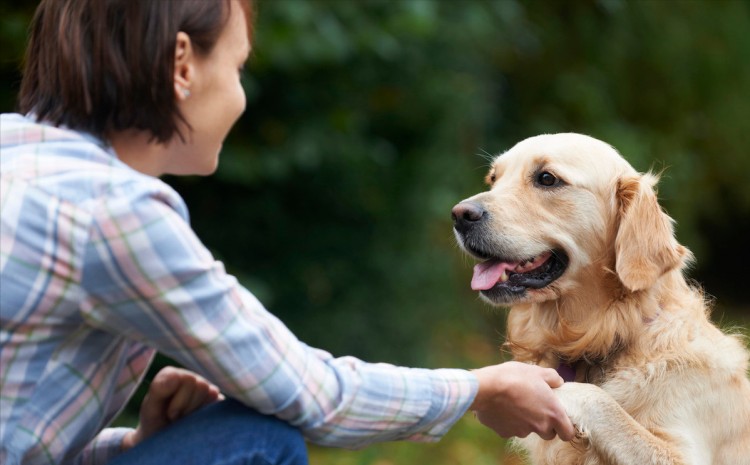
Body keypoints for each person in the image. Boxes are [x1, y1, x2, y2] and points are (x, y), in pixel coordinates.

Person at [0, 1, 576, 464]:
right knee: (260, 436)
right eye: (236, 67)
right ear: (182, 65)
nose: (239, 95)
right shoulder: (115, 212)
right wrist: (480, 390)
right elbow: (311, 395)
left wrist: (133, 446)